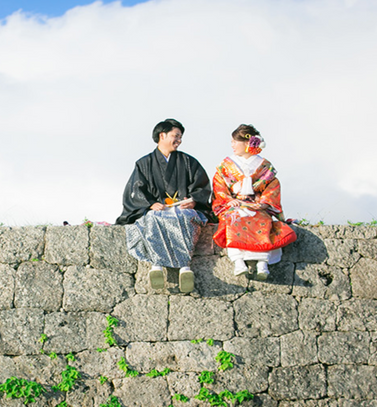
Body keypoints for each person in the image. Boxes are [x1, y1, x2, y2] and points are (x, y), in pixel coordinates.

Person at [116, 118, 212, 293]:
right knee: (153, 218)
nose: (179, 140)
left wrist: (193, 201)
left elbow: (202, 187)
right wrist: (150, 204)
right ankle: (157, 266)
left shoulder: (188, 162)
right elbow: (135, 190)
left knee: (186, 217)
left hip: (183, 208)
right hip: (157, 209)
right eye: (176, 136)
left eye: (180, 137)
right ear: (162, 135)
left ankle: (185, 267)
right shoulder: (144, 164)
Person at [212, 124, 296, 279]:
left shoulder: (264, 165)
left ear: (247, 143)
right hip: (234, 204)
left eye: (235, 141)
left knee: (263, 220)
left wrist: (264, 202)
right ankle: (238, 261)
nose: (232, 145)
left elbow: (273, 185)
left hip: (257, 204)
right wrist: (228, 200)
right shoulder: (226, 165)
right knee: (233, 218)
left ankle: (262, 263)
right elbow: (219, 185)